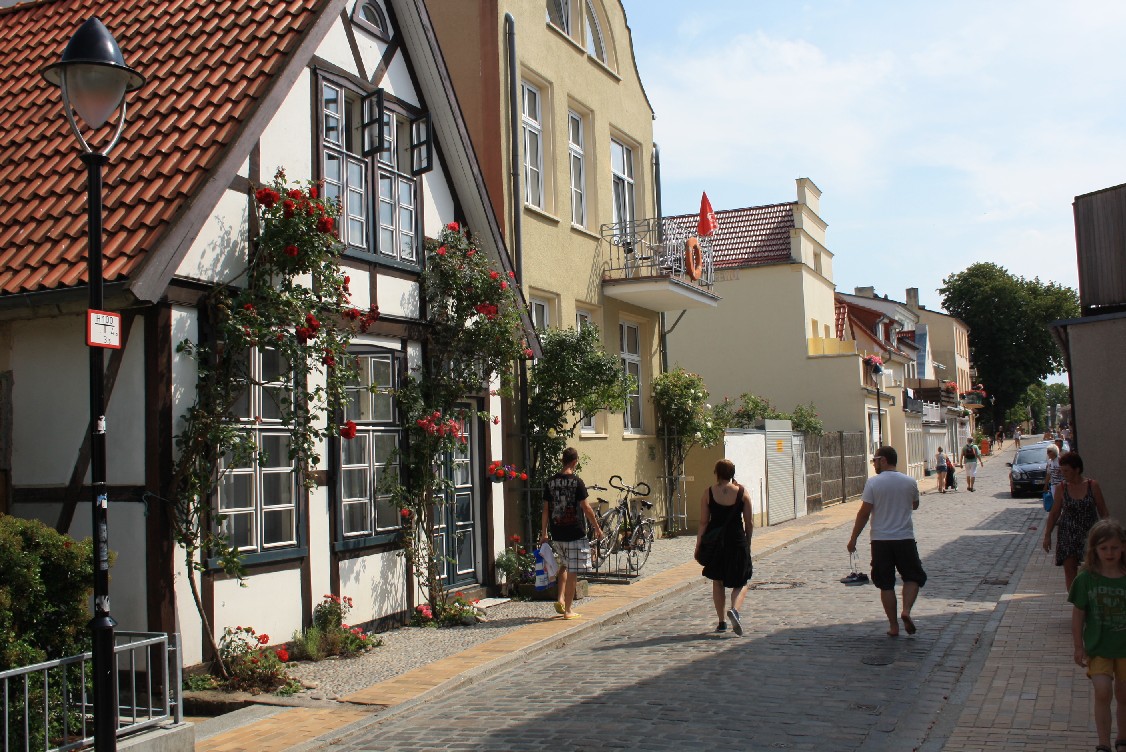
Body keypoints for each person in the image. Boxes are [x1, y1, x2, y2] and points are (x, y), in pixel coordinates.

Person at [846, 446, 926, 638]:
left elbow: (864, 513)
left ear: (883, 460)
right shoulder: (909, 481)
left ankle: (893, 626)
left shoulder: (874, 483)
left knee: (886, 584)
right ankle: (906, 610)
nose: (873, 464)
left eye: (875, 460)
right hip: (905, 538)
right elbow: (914, 505)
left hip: (881, 540)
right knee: (913, 577)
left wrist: (853, 538)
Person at [1068, 519, 1126, 752]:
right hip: (1099, 646)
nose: (1109, 553)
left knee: (1124, 694)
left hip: (1124, 648)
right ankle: (1103, 743)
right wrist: (1078, 646)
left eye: (1114, 547)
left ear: (1123, 547)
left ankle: (1122, 738)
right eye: (1104, 548)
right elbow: (1078, 613)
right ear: (1095, 550)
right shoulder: (1086, 579)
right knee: (1103, 691)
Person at [539, 447, 602, 620]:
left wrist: (543, 533)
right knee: (573, 569)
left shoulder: (550, 482)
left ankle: (560, 599)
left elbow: (545, 509)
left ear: (562, 460)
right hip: (574, 532)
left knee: (564, 565)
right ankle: (568, 610)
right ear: (574, 462)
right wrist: (596, 527)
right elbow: (586, 508)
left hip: (557, 532)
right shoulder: (577, 482)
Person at [695, 458, 753, 635]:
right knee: (742, 580)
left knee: (718, 581)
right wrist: (747, 543)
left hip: (716, 543)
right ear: (732, 474)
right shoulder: (742, 493)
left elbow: (704, 522)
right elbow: (749, 522)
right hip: (736, 540)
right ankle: (734, 610)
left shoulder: (708, 493)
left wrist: (699, 545)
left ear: (717, 473)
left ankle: (721, 622)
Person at [1044, 451, 1109, 593]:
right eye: (1062, 471)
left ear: (1077, 469)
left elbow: (1103, 511)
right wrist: (1047, 535)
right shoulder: (1062, 488)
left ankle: (1091, 596)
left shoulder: (1092, 486)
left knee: (1093, 568)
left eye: (1066, 471)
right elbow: (1054, 513)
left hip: (1090, 532)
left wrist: (1107, 533)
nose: (1063, 474)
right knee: (1070, 568)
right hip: (1068, 532)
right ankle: (1076, 600)